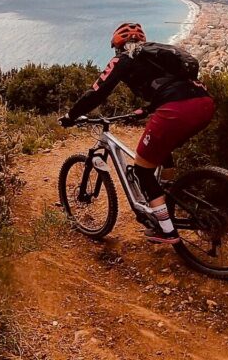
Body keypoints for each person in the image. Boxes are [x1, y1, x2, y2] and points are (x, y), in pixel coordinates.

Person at [59, 22, 215, 244]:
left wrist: (71, 115)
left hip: (177, 110)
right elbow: (171, 87)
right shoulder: (156, 56)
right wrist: (146, 110)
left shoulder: (123, 59)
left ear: (117, 46)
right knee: (162, 149)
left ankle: (167, 230)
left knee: (142, 171)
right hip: (204, 103)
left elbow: (97, 92)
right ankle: (168, 192)